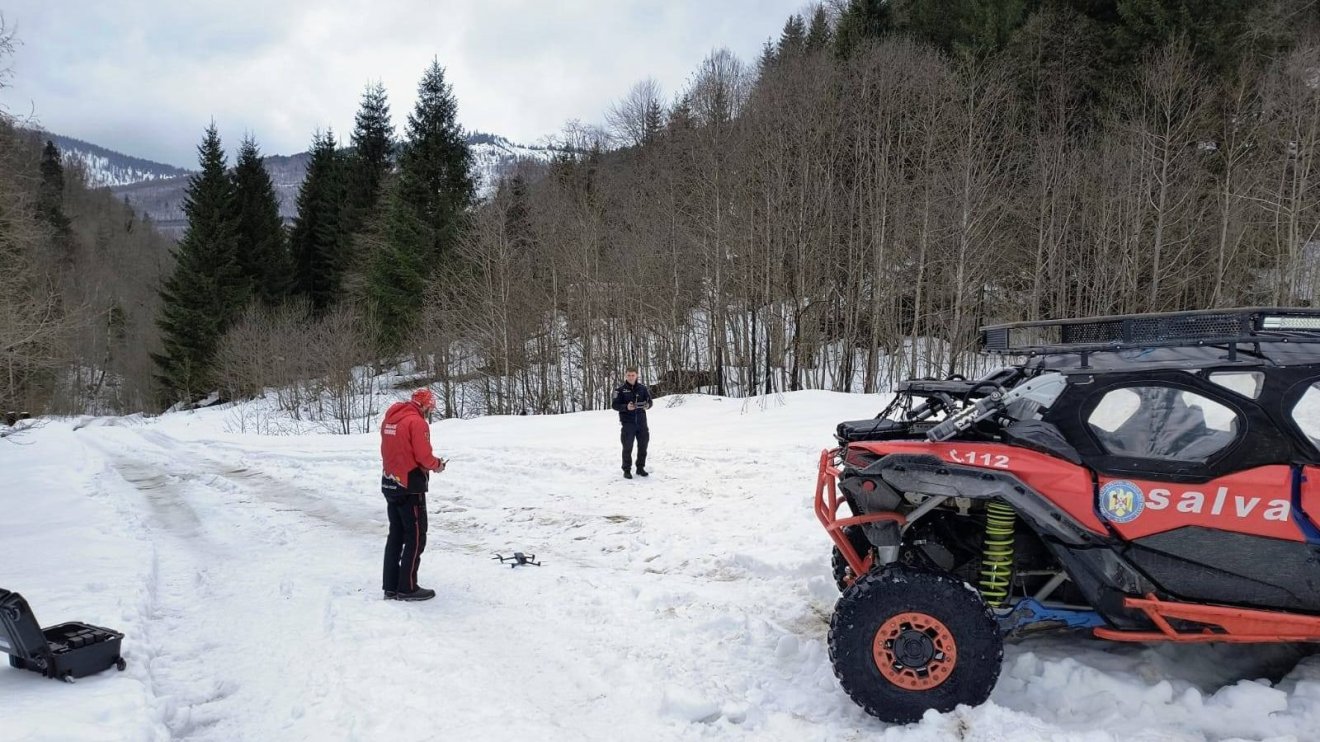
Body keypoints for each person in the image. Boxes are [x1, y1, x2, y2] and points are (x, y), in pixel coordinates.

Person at [379, 388, 446, 601]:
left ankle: (391, 586)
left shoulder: (391, 418)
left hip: (390, 482)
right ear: (426, 406)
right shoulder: (417, 423)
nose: (429, 411)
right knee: (416, 536)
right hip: (410, 486)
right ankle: (407, 587)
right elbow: (423, 456)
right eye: (430, 407)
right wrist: (437, 465)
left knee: (396, 535)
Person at [611, 368, 652, 479]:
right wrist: (626, 407)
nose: (631, 377)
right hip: (628, 423)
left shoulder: (643, 388)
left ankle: (640, 468)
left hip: (642, 423)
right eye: (628, 375)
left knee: (643, 446)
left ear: (637, 375)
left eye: (633, 375)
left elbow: (650, 402)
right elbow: (614, 405)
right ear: (625, 376)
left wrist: (647, 405)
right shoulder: (619, 390)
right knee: (627, 447)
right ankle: (627, 469)